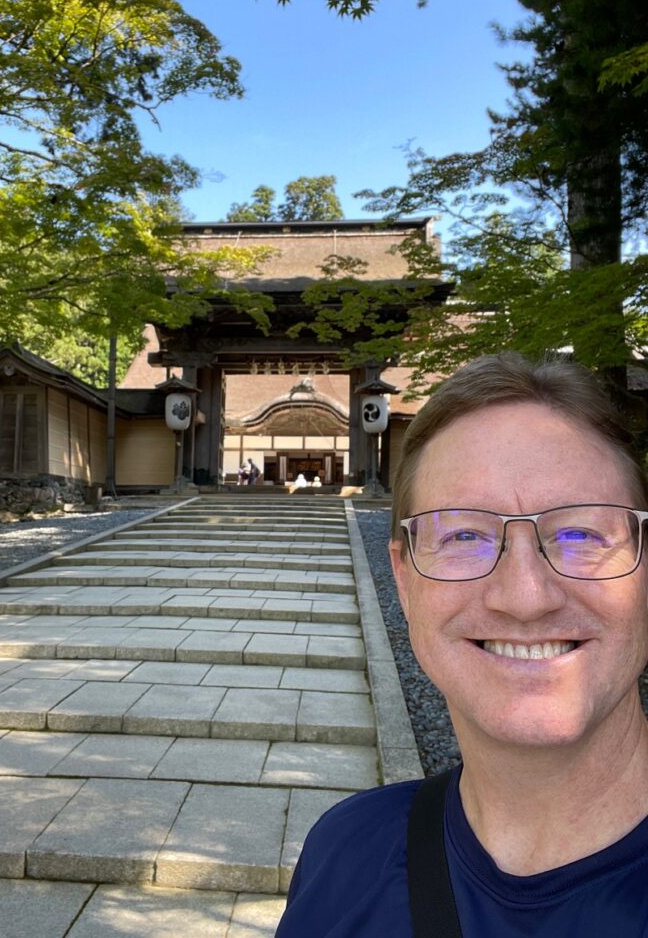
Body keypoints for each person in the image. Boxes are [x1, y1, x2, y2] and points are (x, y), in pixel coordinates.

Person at [276, 352, 648, 936]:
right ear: (404, 579)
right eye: (465, 534)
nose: (526, 597)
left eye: (580, 533)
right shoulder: (344, 855)